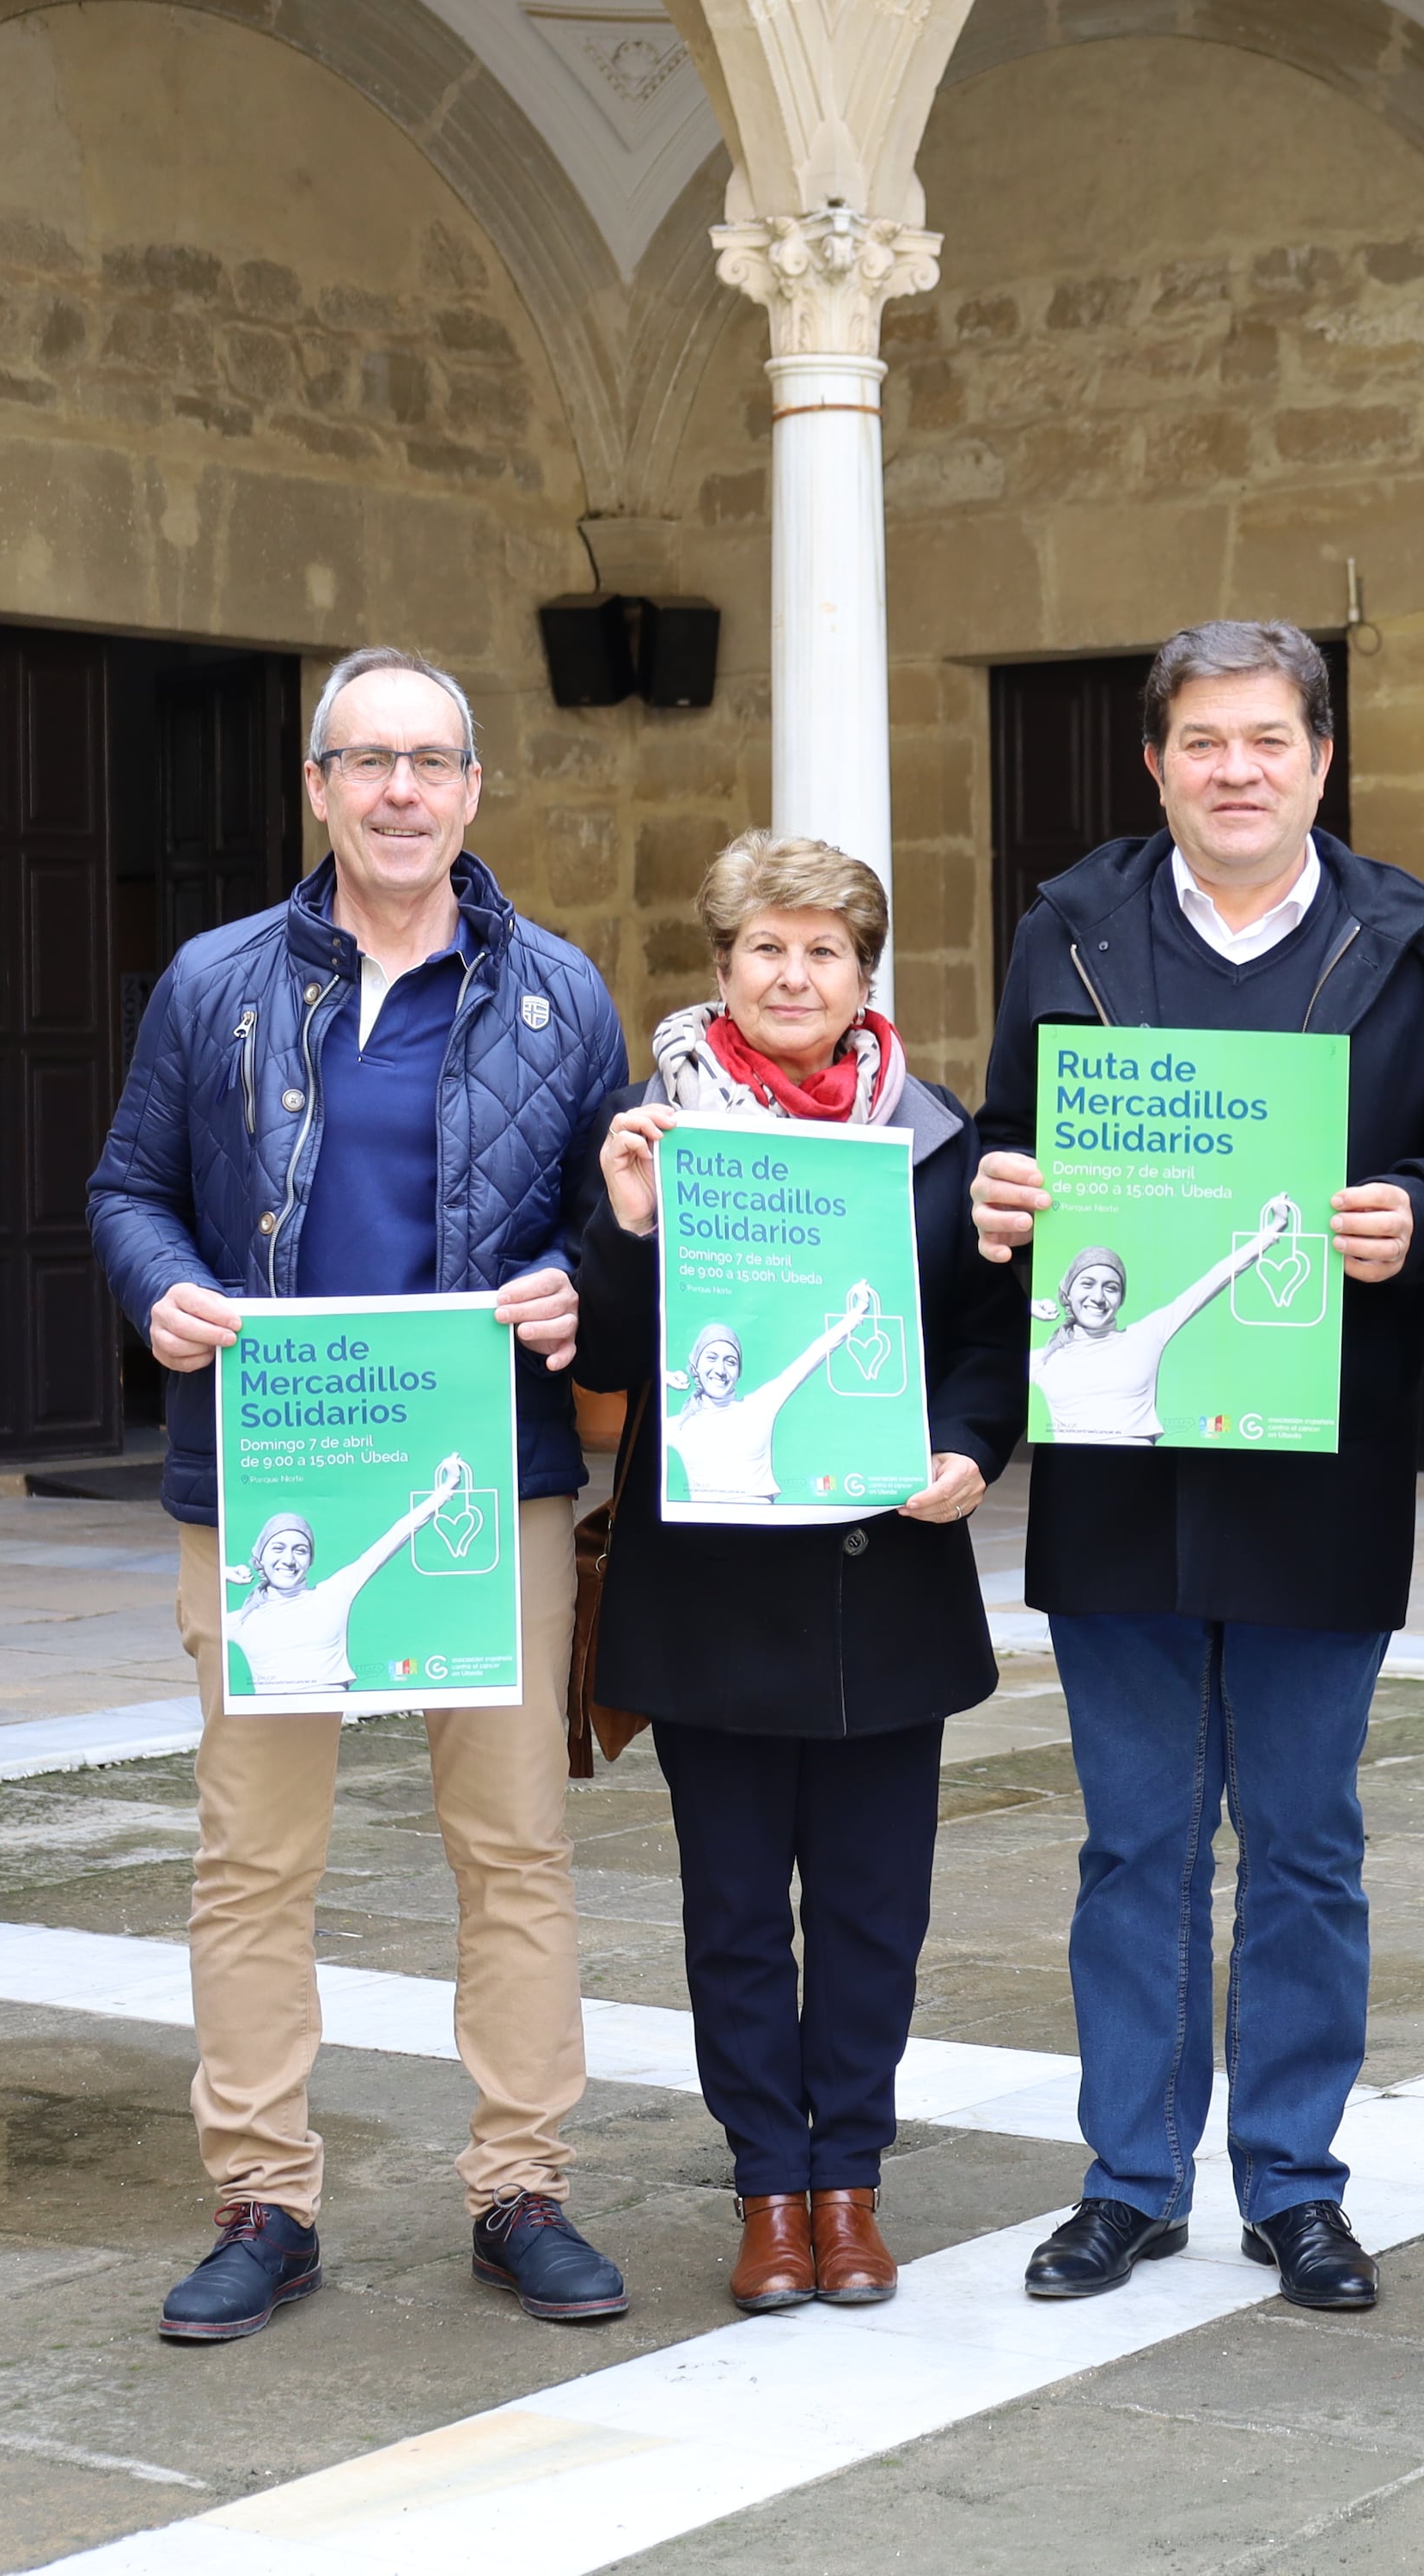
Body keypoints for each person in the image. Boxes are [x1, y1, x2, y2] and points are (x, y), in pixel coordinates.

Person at [87, 644, 633, 2344]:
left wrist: (573, 1279)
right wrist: (157, 1285)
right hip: (270, 1479)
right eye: (366, 759)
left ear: (472, 791)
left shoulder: (560, 993)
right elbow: (130, 1184)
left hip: (490, 1478)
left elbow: (610, 1210)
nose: (400, 789)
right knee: (254, 1857)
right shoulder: (211, 982)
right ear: (317, 787)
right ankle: (264, 2196)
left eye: (431, 761)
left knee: (515, 1845)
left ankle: (520, 2184)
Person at [970, 620, 1424, 2316]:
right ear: (1157, 763)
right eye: (1203, 741)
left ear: (1322, 760)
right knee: (1134, 1842)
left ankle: (1293, 2179)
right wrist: (998, 1191)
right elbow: (1003, 1136)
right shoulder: (1071, 924)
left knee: (1308, 1841)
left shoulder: (1414, 944)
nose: (1237, 768)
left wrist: (1411, 1210)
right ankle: (1127, 2177)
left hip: (1313, 1459)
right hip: (1119, 1468)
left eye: (1269, 739)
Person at [576, 833, 1024, 2314]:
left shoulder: (938, 1141)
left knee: (873, 1907)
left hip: (881, 1582)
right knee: (731, 1911)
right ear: (722, 969)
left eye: (824, 950)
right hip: (713, 1590)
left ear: (861, 977)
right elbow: (612, 1354)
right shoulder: (655, 1134)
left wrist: (970, 1443)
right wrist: (629, 1223)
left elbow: (981, 1345)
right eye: (766, 947)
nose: (793, 973)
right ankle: (769, 2185)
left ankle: (855, 2182)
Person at [1026, 1197, 1301, 1444]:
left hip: (1141, 1479)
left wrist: (1272, 1230)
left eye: (1111, 1287)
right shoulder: (1043, 1358)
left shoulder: (1146, 1335)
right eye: (1087, 1283)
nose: (1098, 1296)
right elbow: (987, 1356)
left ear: (1121, 1298)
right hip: (1075, 1479)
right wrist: (1024, 1308)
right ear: (1067, 1290)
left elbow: (1214, 1279)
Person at [223, 1457, 474, 1694]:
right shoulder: (242, 1619)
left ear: (310, 1560)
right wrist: (220, 1573)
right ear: (260, 1557)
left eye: (300, 1550)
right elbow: (192, 1623)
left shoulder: (333, 1594)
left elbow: (396, 1536)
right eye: (278, 1549)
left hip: (324, 1730)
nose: (288, 1560)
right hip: (270, 1732)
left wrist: (447, 1488)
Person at [664, 1285, 877, 1505]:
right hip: (704, 1534)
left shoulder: (759, 1406)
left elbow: (813, 1355)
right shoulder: (678, 1425)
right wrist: (661, 1377)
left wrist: (857, 1313)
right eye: (711, 1358)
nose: (720, 1369)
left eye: (730, 1361)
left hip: (762, 1532)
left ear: (738, 1372)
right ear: (695, 1365)